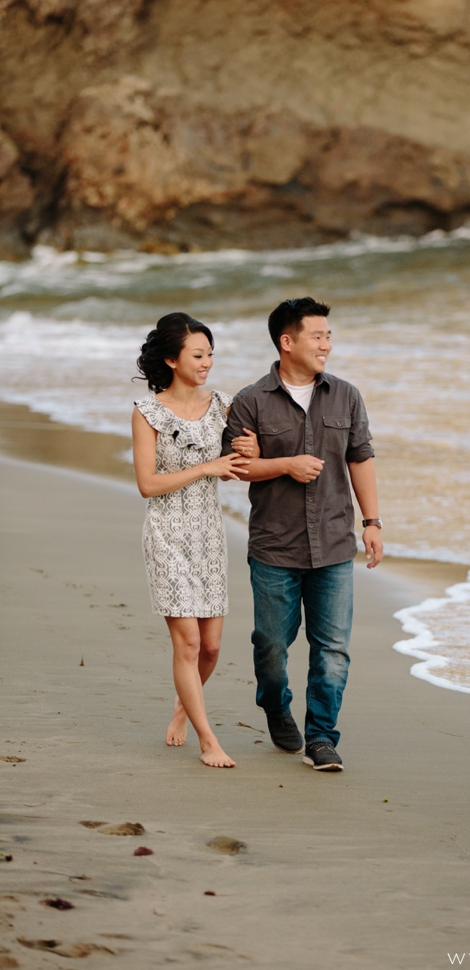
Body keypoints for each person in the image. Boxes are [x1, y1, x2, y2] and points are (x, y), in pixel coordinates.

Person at [222, 297, 383, 772]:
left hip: (334, 543)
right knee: (271, 647)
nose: (326, 345)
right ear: (286, 342)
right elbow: (237, 468)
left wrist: (372, 522)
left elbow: (361, 458)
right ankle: (274, 706)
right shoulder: (250, 401)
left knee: (332, 651)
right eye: (318, 335)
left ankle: (321, 738)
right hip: (275, 546)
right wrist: (287, 465)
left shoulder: (347, 396)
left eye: (329, 335)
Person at [132, 312, 255, 768]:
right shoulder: (147, 413)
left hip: (208, 531)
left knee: (211, 648)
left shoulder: (224, 404)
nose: (206, 362)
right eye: (197, 354)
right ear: (171, 358)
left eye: (210, 355)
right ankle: (209, 740)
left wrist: (249, 451)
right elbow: (148, 484)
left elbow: (244, 457)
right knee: (185, 644)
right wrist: (207, 468)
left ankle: (184, 707)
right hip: (166, 531)